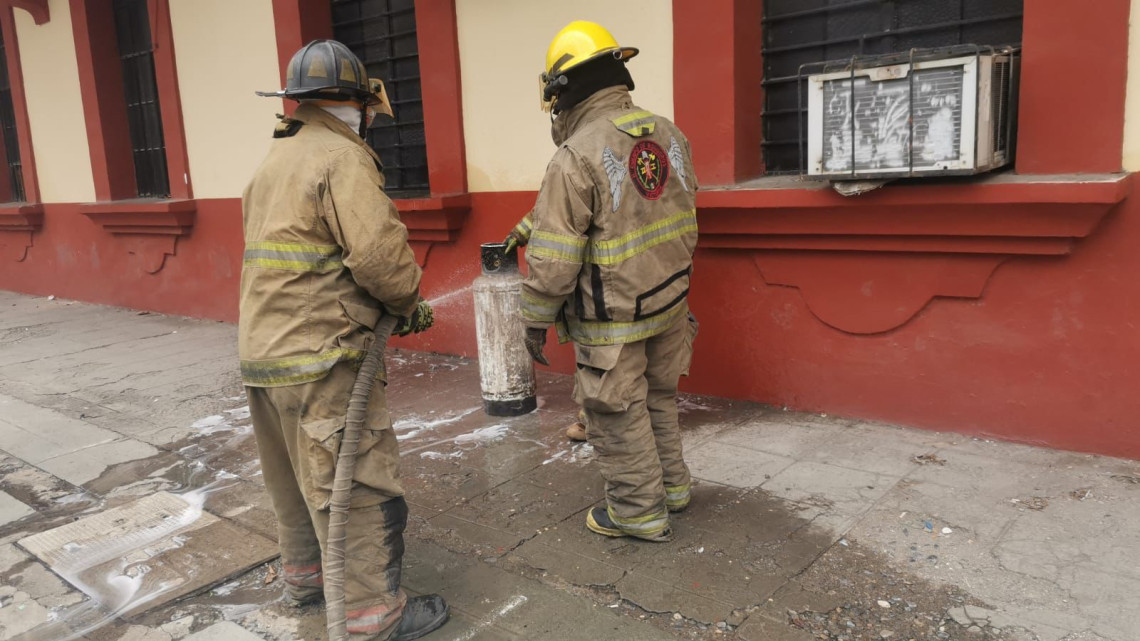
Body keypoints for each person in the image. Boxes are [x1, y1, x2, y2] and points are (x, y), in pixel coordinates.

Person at [242, 40, 449, 640]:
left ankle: (307, 577)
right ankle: (369, 615)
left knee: (291, 473)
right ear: (353, 102)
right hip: (320, 354)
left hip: (263, 352)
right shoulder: (340, 157)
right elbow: (381, 258)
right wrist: (407, 303)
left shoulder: (272, 161)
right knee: (352, 479)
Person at [519, 21, 700, 542]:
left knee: (616, 411)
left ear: (565, 90)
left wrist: (533, 321)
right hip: (669, 299)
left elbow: (553, 262)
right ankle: (673, 490)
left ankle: (637, 511)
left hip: (611, 317)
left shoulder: (574, 155)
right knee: (659, 399)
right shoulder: (669, 132)